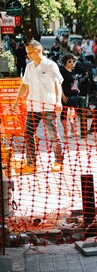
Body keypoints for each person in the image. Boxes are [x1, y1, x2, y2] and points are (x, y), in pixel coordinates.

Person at [11, 40, 64, 173]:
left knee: (53, 135)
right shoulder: (29, 67)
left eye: (30, 52)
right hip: (32, 107)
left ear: (38, 50)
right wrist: (17, 100)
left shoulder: (50, 65)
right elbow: (24, 85)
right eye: (27, 53)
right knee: (28, 134)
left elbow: (57, 83)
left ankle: (58, 162)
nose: (27, 55)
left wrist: (58, 101)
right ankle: (31, 163)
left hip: (48, 107)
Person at [59, 54, 80, 137]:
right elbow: (59, 84)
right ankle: (65, 131)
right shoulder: (62, 71)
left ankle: (73, 129)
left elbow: (74, 82)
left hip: (73, 94)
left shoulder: (73, 71)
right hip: (65, 94)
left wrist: (76, 88)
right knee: (64, 112)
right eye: (69, 61)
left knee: (72, 112)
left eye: (73, 61)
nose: (72, 63)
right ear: (65, 62)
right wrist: (62, 95)